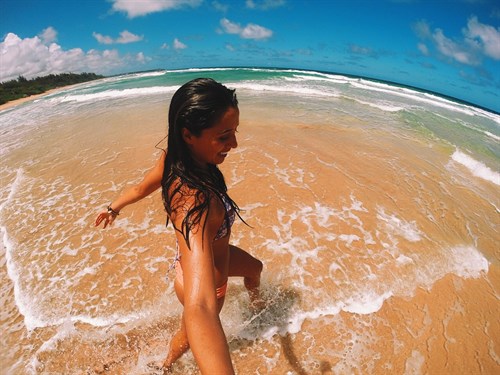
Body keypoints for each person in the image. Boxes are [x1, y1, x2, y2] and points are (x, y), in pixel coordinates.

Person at [94, 78, 264, 374]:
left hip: (207, 257)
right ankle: (165, 364)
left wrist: (113, 208)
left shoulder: (177, 159)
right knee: (189, 334)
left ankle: (257, 308)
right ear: (188, 134)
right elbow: (200, 306)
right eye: (224, 136)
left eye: (235, 132)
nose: (234, 144)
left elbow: (140, 188)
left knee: (255, 268)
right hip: (206, 280)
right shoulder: (194, 205)